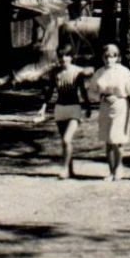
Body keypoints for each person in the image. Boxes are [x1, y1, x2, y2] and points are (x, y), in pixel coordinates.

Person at [87, 43, 130, 181]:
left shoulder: (124, 72)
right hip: (105, 108)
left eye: (113, 56)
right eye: (106, 57)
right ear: (102, 58)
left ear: (118, 57)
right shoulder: (99, 73)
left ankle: (118, 168)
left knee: (118, 140)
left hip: (121, 106)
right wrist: (101, 96)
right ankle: (111, 171)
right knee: (109, 140)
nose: (109, 60)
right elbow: (91, 92)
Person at [44, 45, 93, 179]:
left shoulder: (78, 72)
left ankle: (64, 169)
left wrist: (88, 106)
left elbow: (82, 90)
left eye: (66, 56)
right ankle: (70, 171)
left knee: (67, 139)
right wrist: (43, 108)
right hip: (60, 109)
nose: (63, 59)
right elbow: (50, 91)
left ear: (71, 57)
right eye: (60, 56)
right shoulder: (55, 72)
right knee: (65, 142)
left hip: (74, 109)